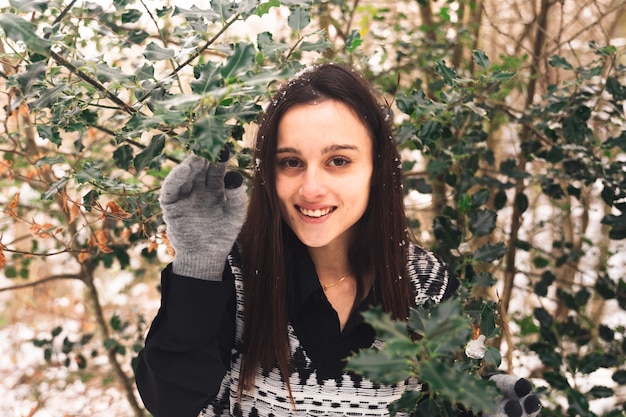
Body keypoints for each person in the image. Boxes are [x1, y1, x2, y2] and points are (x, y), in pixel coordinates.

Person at [135, 63, 541, 417]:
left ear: (377, 168)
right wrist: (200, 265)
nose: (312, 187)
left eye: (338, 161)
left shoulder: (428, 284)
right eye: (291, 162)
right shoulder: (234, 276)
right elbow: (170, 401)